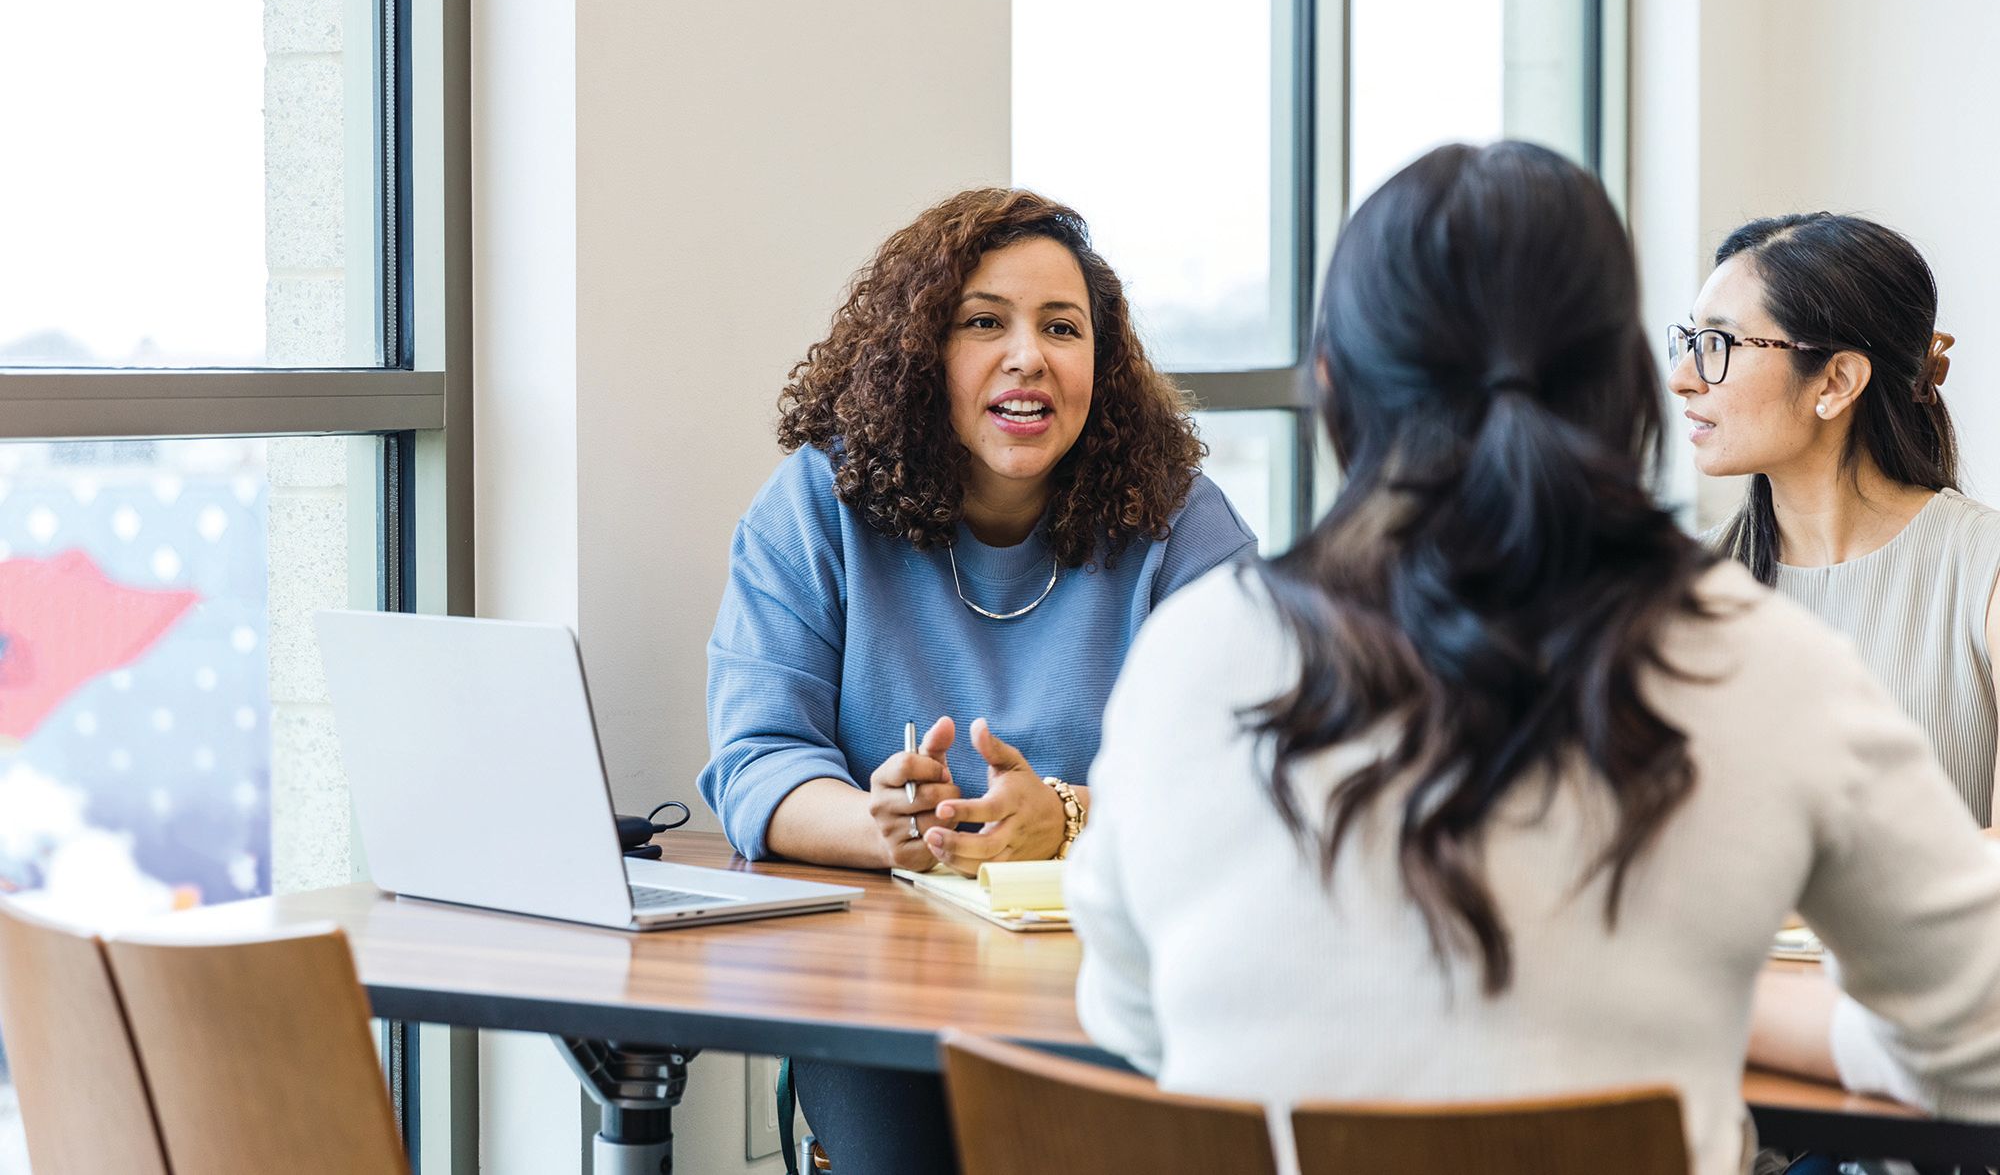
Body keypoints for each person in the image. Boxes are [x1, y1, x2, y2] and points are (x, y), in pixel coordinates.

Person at [1065, 142, 2000, 1175]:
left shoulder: (1191, 656)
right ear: (1622, 385)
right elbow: (1983, 1042)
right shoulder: (1760, 660)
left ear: (1332, 382)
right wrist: (1734, 1008)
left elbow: (1129, 1017)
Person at [700, 186, 1257, 1174]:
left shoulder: (1182, 526)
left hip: (1116, 978)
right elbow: (755, 758)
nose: (1027, 355)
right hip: (879, 990)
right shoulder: (811, 509)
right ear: (921, 355)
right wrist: (879, 825)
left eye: (1061, 327)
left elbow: (1245, 780)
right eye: (981, 323)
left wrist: (1068, 817)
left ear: (1102, 363)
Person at [1675, 213, 2000, 827]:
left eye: (1718, 344)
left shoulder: (1986, 573)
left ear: (1836, 380)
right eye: (1689, 342)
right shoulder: (1680, 589)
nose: (1682, 378)